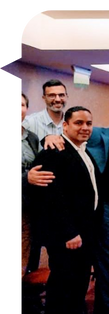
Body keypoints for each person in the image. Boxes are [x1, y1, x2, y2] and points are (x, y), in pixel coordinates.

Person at [30, 102, 109, 314]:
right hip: (98, 213)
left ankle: (96, 313)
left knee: (106, 263)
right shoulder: (95, 137)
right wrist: (50, 137)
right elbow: (52, 193)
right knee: (99, 264)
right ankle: (105, 312)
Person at [30, 106, 102, 314]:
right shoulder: (54, 152)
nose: (85, 128)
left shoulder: (83, 151)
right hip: (67, 235)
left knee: (79, 282)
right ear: (66, 126)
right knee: (61, 285)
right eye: (79, 123)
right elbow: (51, 198)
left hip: (85, 231)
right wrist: (68, 232)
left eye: (88, 123)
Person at [19, 91, 41, 276]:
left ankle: (27, 304)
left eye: (21, 105)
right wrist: (25, 178)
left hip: (28, 208)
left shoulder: (31, 137)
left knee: (26, 260)